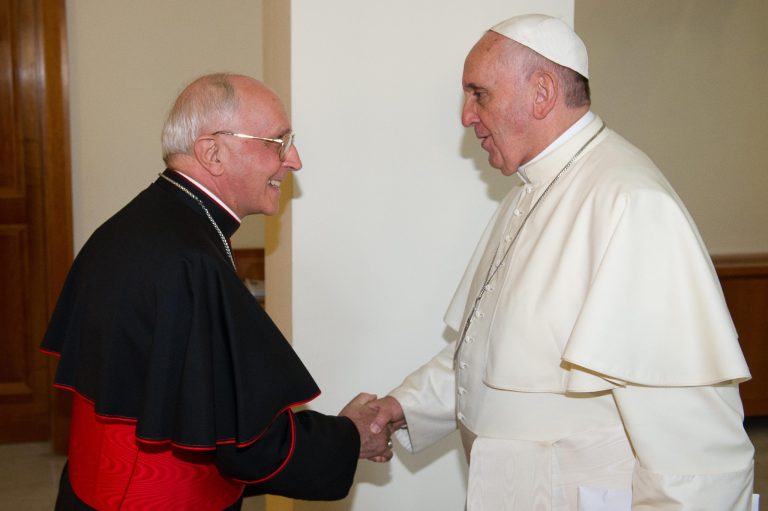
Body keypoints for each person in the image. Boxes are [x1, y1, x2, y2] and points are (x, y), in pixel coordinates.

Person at [369, 14, 756, 510]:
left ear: (543, 92)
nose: (466, 116)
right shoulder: (526, 196)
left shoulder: (629, 203)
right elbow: (485, 357)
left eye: (478, 93)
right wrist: (400, 408)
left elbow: (696, 452)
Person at [41, 73, 391, 510]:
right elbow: (247, 442)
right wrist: (349, 437)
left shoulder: (133, 226)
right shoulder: (191, 261)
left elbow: (199, 415)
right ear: (212, 152)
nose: (294, 159)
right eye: (278, 141)